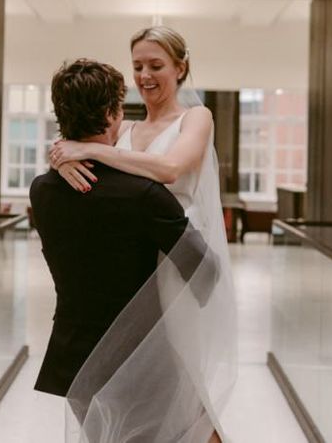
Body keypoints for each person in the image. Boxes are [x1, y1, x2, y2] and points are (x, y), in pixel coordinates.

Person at [50, 26, 238, 443]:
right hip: (134, 272)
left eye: (156, 65)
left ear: (180, 68)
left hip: (179, 265)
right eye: (137, 66)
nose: (145, 75)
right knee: (150, 386)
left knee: (181, 384)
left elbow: (171, 169)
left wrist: (90, 150)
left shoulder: (196, 117)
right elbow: (80, 136)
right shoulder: (126, 130)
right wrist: (62, 158)